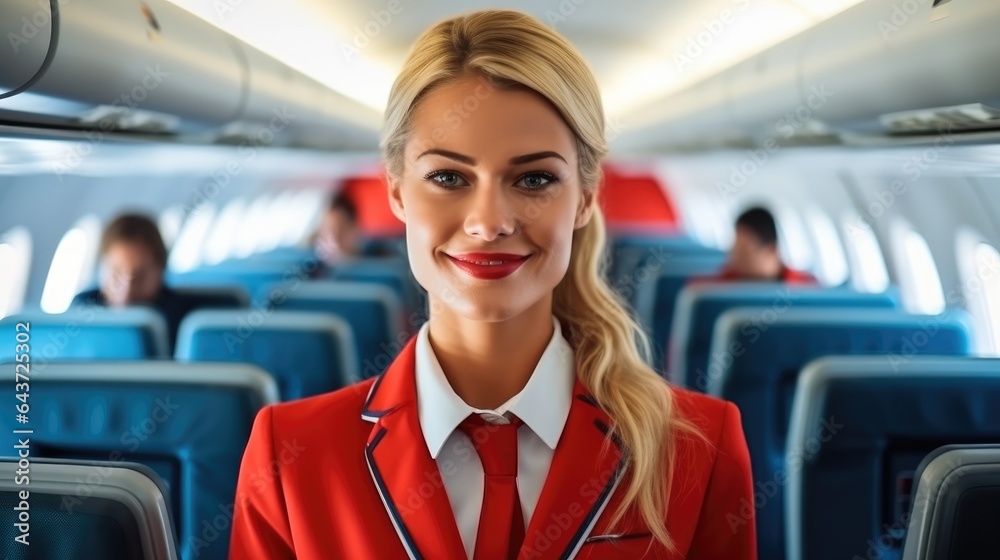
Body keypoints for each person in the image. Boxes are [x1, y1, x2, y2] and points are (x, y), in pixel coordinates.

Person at [230, 10, 756, 560]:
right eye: (448, 177)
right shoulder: (290, 458)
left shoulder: (698, 448)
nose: (489, 221)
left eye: (534, 179)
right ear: (397, 193)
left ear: (585, 198)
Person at [72, 213, 201, 354]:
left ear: (161, 271)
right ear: (101, 270)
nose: (127, 293)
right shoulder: (80, 312)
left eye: (140, 277)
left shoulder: (187, 321)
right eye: (116, 274)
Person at [712, 206, 816, 283]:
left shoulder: (805, 285)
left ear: (771, 250)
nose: (734, 258)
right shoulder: (720, 285)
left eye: (744, 252)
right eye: (735, 250)